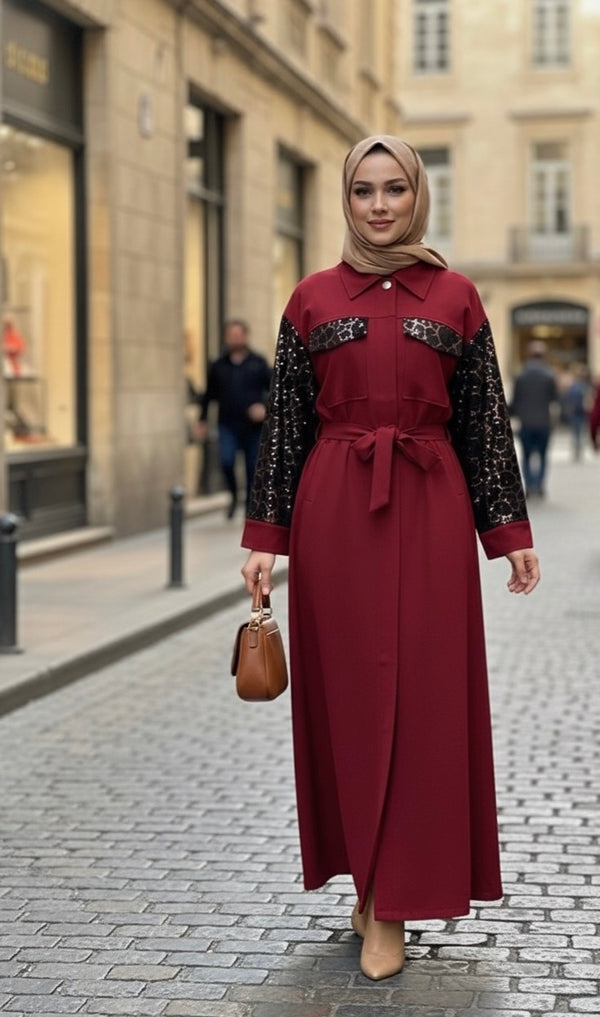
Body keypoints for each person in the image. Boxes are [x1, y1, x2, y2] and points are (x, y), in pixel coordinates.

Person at [240, 136, 540, 981]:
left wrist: (508, 532)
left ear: (418, 196)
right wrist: (265, 540)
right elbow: (288, 426)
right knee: (348, 700)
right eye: (365, 190)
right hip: (335, 508)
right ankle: (367, 883)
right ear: (347, 198)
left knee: (424, 700)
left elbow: (484, 418)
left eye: (395, 188)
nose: (379, 205)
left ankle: (396, 898)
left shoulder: (457, 297)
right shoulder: (309, 299)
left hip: (431, 500)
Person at [197, 319, 271, 518]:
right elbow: (208, 395)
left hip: (253, 427)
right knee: (226, 461)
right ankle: (233, 495)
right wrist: (202, 420)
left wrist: (264, 408)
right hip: (227, 424)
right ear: (226, 338)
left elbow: (274, 390)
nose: (235, 339)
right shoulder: (218, 365)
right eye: (232, 335)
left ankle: (248, 507)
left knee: (251, 467)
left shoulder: (258, 362)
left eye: (239, 335)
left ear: (246, 336)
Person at [510, 340, 559, 496]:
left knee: (526, 455)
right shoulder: (549, 375)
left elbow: (515, 401)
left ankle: (530, 485)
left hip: (526, 422)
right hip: (544, 422)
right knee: (543, 456)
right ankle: (539, 484)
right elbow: (554, 399)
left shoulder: (521, 375)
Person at [561, 363, 591, 462]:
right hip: (580, 412)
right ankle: (578, 450)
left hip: (577, 413)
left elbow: (568, 399)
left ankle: (577, 451)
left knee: (576, 433)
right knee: (579, 432)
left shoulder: (575, 386)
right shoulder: (584, 386)